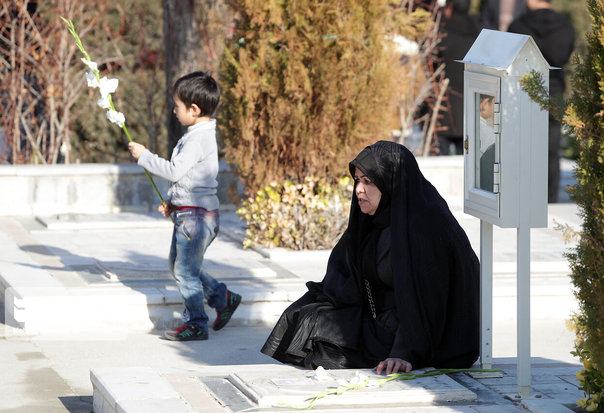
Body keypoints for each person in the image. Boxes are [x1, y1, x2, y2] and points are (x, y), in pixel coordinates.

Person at [261, 141, 480, 374]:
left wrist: (404, 353)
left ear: (391, 182)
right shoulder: (375, 218)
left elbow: (428, 301)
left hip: (426, 334)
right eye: (357, 180)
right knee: (305, 316)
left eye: (368, 182)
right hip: (384, 317)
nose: (359, 190)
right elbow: (344, 271)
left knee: (320, 338)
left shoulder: (425, 227)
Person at [128, 71, 241, 341]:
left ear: (194, 109)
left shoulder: (197, 139)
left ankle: (196, 323)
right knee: (179, 265)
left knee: (184, 270)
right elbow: (190, 179)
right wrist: (174, 203)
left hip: (195, 217)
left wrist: (145, 156)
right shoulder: (198, 135)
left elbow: (175, 170)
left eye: (177, 106)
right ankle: (221, 297)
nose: (174, 111)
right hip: (192, 213)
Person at [508, 0, 575, 202]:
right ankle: (550, 199)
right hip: (554, 92)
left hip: (524, 91)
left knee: (523, 148)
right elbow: (564, 56)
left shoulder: (518, 26)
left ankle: (525, 198)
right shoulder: (565, 27)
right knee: (552, 151)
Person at [437, 0, 482, 155]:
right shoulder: (480, 34)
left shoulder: (441, 34)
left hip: (442, 109)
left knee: (439, 168)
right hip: (472, 110)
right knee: (469, 166)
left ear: (449, 8)